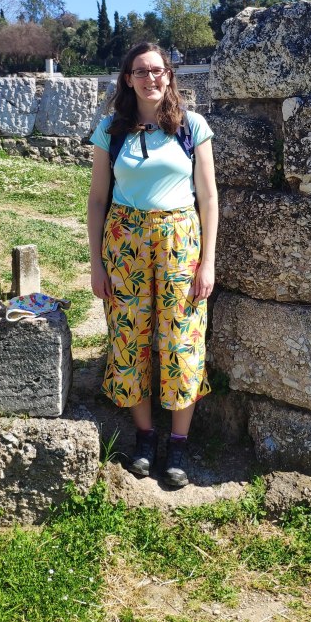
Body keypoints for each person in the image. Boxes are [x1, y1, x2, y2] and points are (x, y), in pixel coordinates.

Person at [87, 42, 217, 488]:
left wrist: (208, 264)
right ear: (128, 79)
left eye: (158, 70)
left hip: (181, 241)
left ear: (170, 75)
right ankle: (145, 437)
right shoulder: (111, 130)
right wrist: (96, 265)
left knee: (182, 339)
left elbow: (209, 198)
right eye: (141, 71)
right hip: (124, 241)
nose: (151, 78)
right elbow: (98, 200)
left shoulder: (191, 127)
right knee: (129, 335)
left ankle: (177, 444)